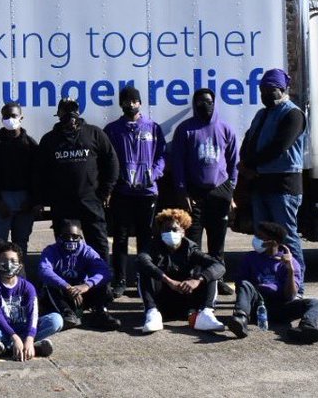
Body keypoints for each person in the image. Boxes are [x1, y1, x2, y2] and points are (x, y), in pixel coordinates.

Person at [240, 68, 308, 278]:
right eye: (262, 91)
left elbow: (279, 146)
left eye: (270, 90)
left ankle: (296, 283)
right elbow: (249, 140)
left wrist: (251, 165)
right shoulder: (262, 114)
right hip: (260, 184)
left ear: (282, 89)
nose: (265, 95)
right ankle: (270, 282)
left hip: (283, 185)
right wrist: (244, 162)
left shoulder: (293, 114)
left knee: (286, 236)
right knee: (263, 239)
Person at [171, 87, 239, 295]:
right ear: (194, 104)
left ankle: (217, 279)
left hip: (220, 191)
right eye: (200, 101)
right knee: (193, 241)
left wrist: (231, 189)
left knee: (217, 241)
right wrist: (182, 191)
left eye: (208, 101)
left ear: (215, 102)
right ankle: (195, 279)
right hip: (194, 194)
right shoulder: (185, 129)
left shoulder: (226, 129)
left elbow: (234, 161)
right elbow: (177, 163)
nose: (204, 105)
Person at [37, 98, 118, 265]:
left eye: (73, 111)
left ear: (79, 112)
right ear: (58, 114)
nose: (70, 116)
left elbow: (112, 162)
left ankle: (101, 284)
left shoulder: (94, 133)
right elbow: (39, 172)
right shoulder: (49, 140)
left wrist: (105, 191)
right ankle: (68, 282)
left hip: (91, 201)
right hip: (62, 204)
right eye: (65, 112)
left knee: (98, 244)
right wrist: (44, 199)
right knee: (65, 246)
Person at [103, 86, 168, 294]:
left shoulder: (152, 128)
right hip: (122, 192)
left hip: (147, 193)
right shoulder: (112, 129)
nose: (130, 104)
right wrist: (115, 178)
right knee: (120, 238)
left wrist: (154, 174)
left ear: (140, 103)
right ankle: (120, 280)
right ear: (120, 104)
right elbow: (106, 158)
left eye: (134, 101)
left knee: (145, 237)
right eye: (126, 101)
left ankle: (143, 278)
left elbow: (162, 156)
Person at [225, 221, 318, 344]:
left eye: (261, 237)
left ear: (274, 242)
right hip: (258, 306)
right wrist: (260, 289)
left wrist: (290, 271)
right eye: (257, 236)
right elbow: (241, 286)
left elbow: (290, 296)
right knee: (245, 284)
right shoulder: (250, 258)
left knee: (315, 303)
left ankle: (307, 328)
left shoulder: (290, 262)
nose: (256, 240)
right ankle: (241, 319)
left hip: (281, 307)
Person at [134, 209, 226, 334]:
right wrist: (169, 281)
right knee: (144, 270)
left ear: (183, 231)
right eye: (166, 229)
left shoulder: (191, 249)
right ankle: (152, 313)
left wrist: (197, 281)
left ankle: (206, 314)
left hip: (188, 301)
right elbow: (141, 260)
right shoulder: (153, 246)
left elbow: (219, 266)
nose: (170, 233)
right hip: (162, 302)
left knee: (210, 272)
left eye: (175, 229)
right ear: (160, 232)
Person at [0, 243, 62, 360]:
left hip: (25, 329)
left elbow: (33, 315)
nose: (9, 265)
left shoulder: (28, 287)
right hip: (3, 330)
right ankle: (24, 347)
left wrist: (29, 338)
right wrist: (14, 337)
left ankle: (14, 347)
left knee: (56, 319)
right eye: (4, 260)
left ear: (20, 265)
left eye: (13, 261)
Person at [37, 221, 119, 330]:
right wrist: (66, 286)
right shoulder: (51, 250)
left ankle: (100, 313)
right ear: (59, 236)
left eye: (75, 236)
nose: (70, 240)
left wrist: (87, 285)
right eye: (66, 236)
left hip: (81, 291)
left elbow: (105, 272)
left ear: (80, 237)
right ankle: (67, 314)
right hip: (61, 292)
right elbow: (44, 270)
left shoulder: (87, 251)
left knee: (103, 285)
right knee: (48, 285)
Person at [0, 102, 38, 256]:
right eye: (6, 116)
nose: (10, 119)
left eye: (13, 115)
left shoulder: (31, 144)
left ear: (21, 117)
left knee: (21, 241)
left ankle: (20, 275)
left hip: (25, 199)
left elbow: (37, 174)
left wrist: (32, 200)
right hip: (0, 199)